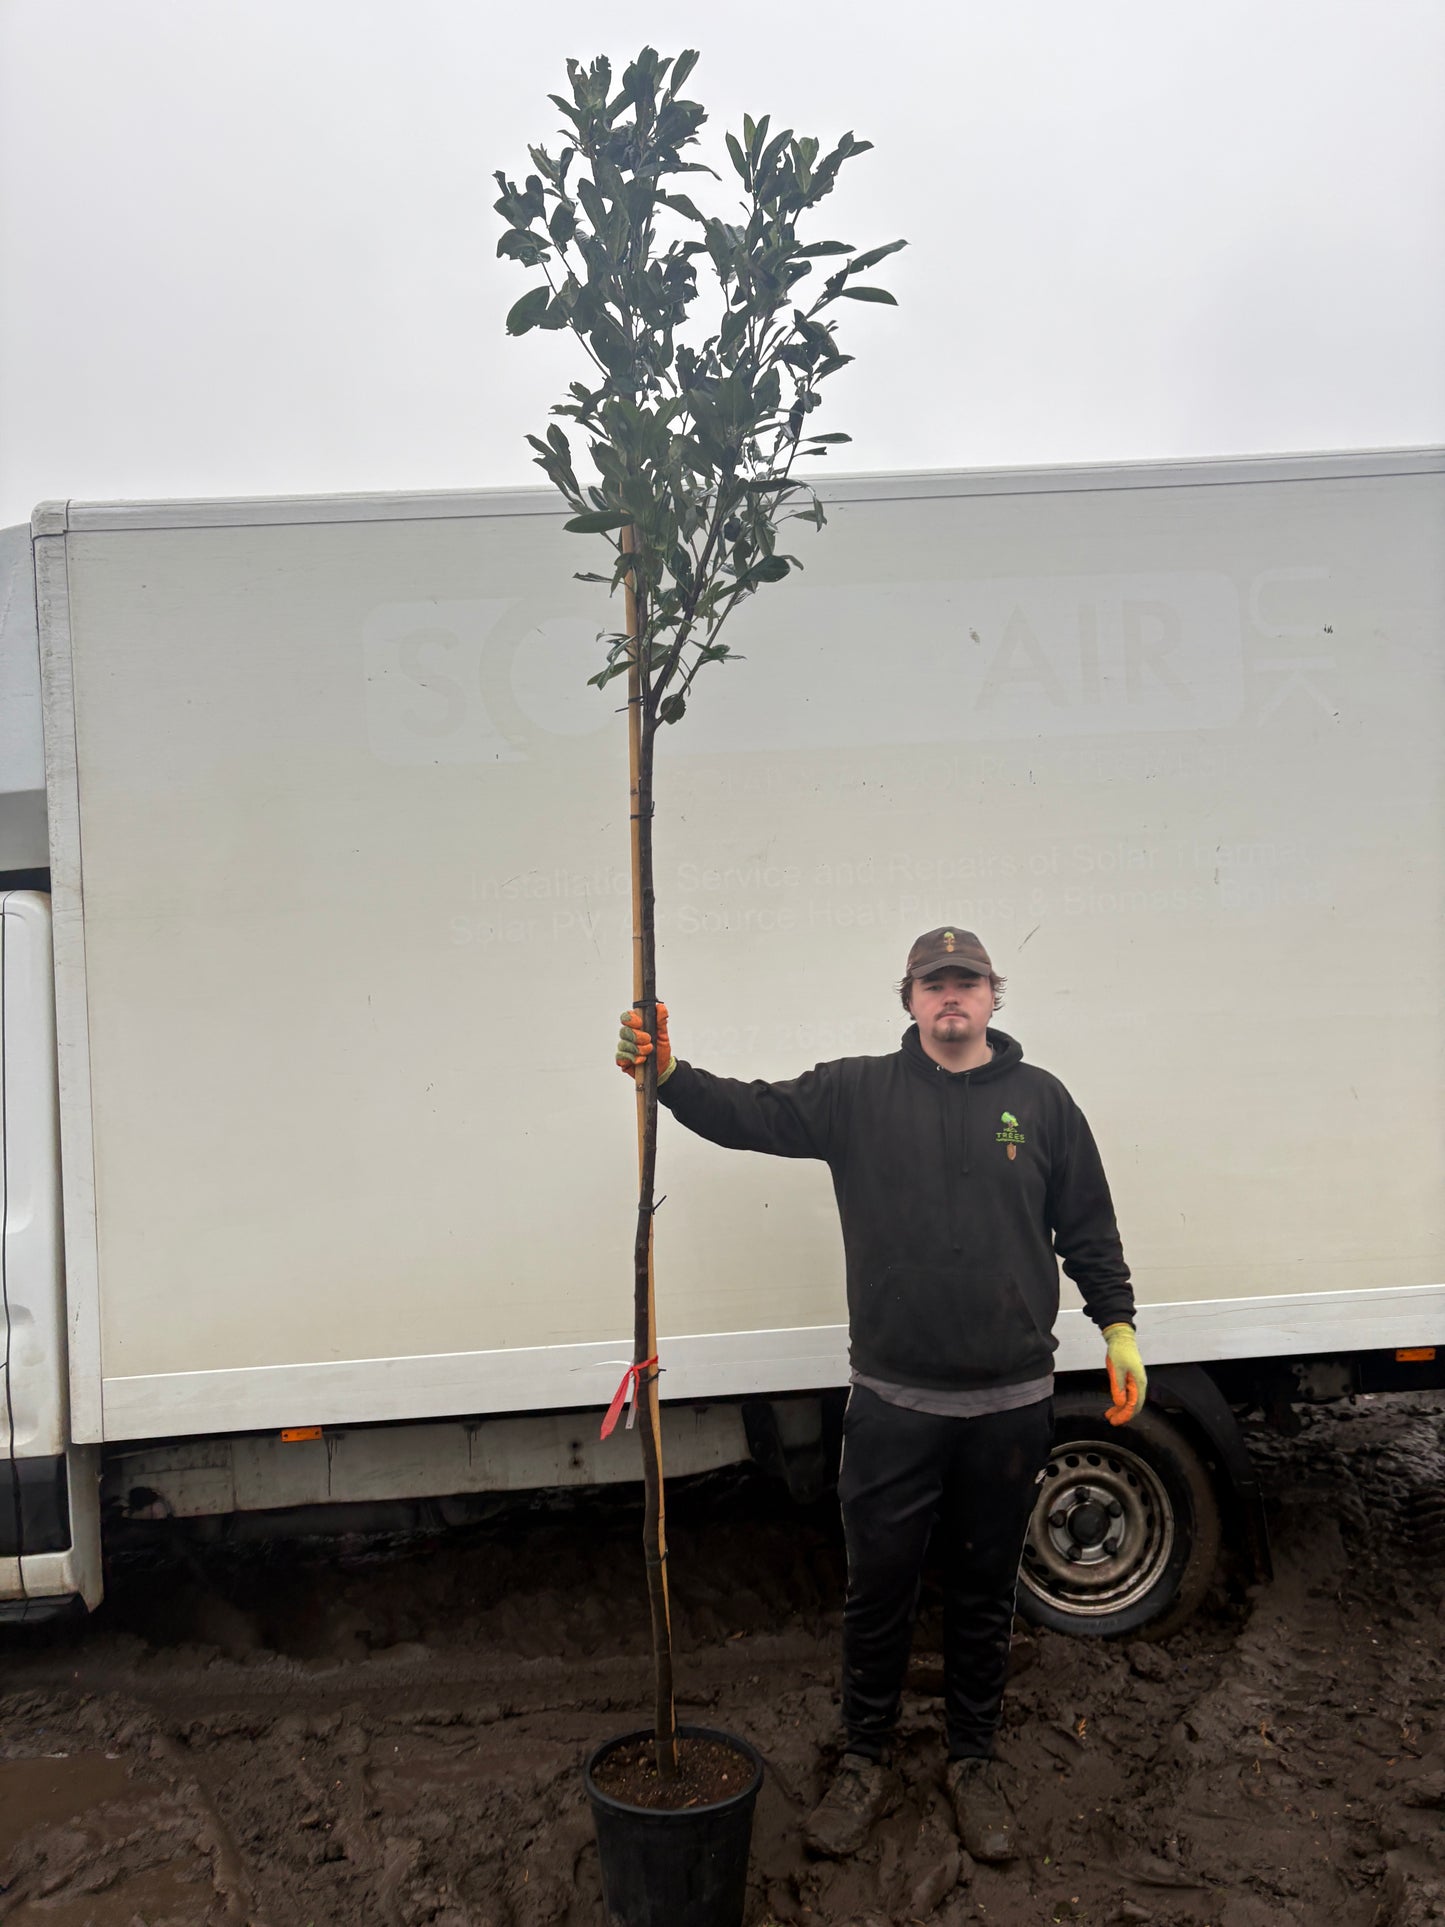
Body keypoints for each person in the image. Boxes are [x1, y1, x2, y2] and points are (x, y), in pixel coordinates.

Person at [614, 927, 1146, 1864]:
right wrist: (665, 1074)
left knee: (985, 1593)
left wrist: (1117, 1325)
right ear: (906, 997)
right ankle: (862, 1758)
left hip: (1011, 1403)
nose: (951, 998)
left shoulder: (1042, 1103)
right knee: (878, 1594)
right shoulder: (854, 1092)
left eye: (967, 983)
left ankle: (972, 1761)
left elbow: (1088, 1225)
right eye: (933, 984)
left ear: (993, 995)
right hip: (895, 1402)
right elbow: (747, 1112)